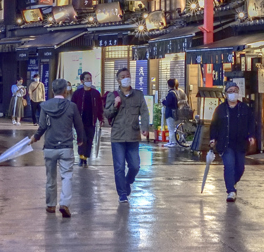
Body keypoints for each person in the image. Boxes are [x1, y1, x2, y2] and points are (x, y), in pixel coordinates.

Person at [30, 78, 86, 218]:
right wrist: (81, 139)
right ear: (66, 91)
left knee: (50, 177)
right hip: (66, 147)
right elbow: (79, 125)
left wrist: (35, 137)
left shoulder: (45, 106)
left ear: (53, 90)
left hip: (49, 147)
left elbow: (42, 126)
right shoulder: (71, 106)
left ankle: (50, 205)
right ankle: (64, 204)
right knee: (66, 176)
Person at [104, 68, 150, 204]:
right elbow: (107, 114)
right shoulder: (113, 95)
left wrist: (145, 127)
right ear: (118, 80)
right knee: (119, 167)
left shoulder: (138, 95)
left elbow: (145, 112)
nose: (126, 78)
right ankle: (122, 193)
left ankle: (127, 181)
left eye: (128, 76)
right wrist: (115, 105)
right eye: (123, 76)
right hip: (117, 136)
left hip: (133, 135)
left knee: (135, 165)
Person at [209, 81, 257, 202]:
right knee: (229, 165)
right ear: (225, 94)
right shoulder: (220, 109)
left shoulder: (244, 108)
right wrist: (213, 138)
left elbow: (251, 123)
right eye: (230, 92)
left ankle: (232, 182)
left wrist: (251, 136)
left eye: (235, 91)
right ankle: (231, 191)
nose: (233, 94)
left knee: (240, 168)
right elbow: (214, 125)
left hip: (240, 143)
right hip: (225, 144)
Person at [70, 72, 103, 167]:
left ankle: (86, 157)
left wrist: (101, 119)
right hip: (80, 121)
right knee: (82, 139)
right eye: (87, 79)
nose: (89, 80)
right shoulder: (77, 93)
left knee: (89, 140)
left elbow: (100, 107)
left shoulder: (96, 93)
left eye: (90, 78)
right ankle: (81, 157)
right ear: (82, 81)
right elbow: (73, 106)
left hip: (91, 121)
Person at [160, 78, 186, 147]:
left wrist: (163, 101)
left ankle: (173, 142)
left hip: (170, 113)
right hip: (174, 112)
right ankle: (171, 141)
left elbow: (168, 103)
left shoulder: (171, 93)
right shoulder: (175, 92)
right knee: (172, 128)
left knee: (171, 128)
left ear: (169, 85)